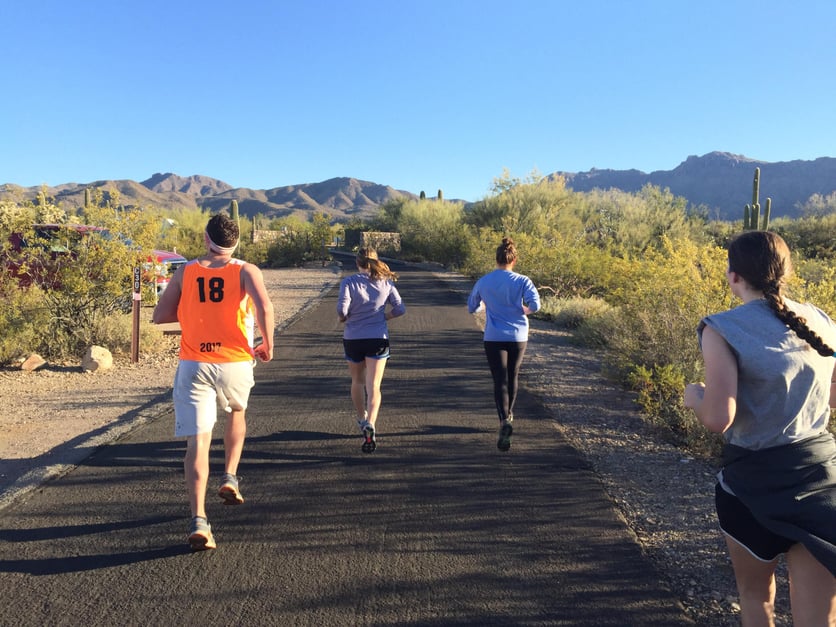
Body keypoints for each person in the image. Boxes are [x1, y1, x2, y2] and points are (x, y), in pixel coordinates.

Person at [684, 230, 836, 625]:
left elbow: (719, 418)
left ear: (733, 276)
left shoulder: (721, 328)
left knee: (756, 599)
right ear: (787, 271)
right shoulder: (819, 319)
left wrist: (693, 396)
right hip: (819, 484)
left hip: (751, 487)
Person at [153, 213, 275, 551]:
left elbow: (160, 316)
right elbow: (264, 306)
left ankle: (200, 521)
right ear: (236, 242)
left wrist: (194, 308)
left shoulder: (186, 270)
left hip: (195, 363)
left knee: (198, 441)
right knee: (237, 412)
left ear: (206, 239)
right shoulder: (247, 270)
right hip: (235, 360)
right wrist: (267, 343)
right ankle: (230, 476)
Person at [467, 237, 541, 451]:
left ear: (496, 259)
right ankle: (510, 415)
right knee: (513, 375)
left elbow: (472, 307)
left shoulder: (484, 281)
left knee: (499, 378)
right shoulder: (523, 281)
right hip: (518, 336)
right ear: (514, 259)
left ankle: (503, 420)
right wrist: (523, 311)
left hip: (494, 336)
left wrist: (483, 306)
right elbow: (535, 304)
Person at [337, 247, 405, 453]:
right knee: (373, 385)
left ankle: (361, 418)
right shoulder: (386, 283)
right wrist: (384, 317)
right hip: (378, 338)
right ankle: (372, 423)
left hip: (353, 338)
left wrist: (344, 318)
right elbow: (400, 308)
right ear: (375, 261)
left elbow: (342, 310)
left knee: (357, 381)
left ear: (357, 262)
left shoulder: (349, 283)